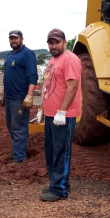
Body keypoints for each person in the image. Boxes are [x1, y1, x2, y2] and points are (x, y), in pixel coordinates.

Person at [39, 29, 81, 202]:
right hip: (51, 114)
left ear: (64, 42)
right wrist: (42, 107)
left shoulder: (70, 59)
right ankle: (57, 182)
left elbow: (72, 87)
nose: (54, 46)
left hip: (63, 115)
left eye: (57, 42)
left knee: (61, 151)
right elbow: (48, 84)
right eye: (51, 43)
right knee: (51, 150)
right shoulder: (53, 59)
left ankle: (59, 189)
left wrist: (62, 112)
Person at [0, 30, 38, 163]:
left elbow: (33, 76)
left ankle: (19, 158)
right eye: (11, 39)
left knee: (19, 127)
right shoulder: (10, 55)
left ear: (21, 39)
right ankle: (18, 151)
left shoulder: (28, 54)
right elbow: (7, 75)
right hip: (10, 97)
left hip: (20, 98)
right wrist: (4, 93)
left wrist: (29, 95)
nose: (13, 41)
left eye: (15, 38)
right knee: (11, 126)